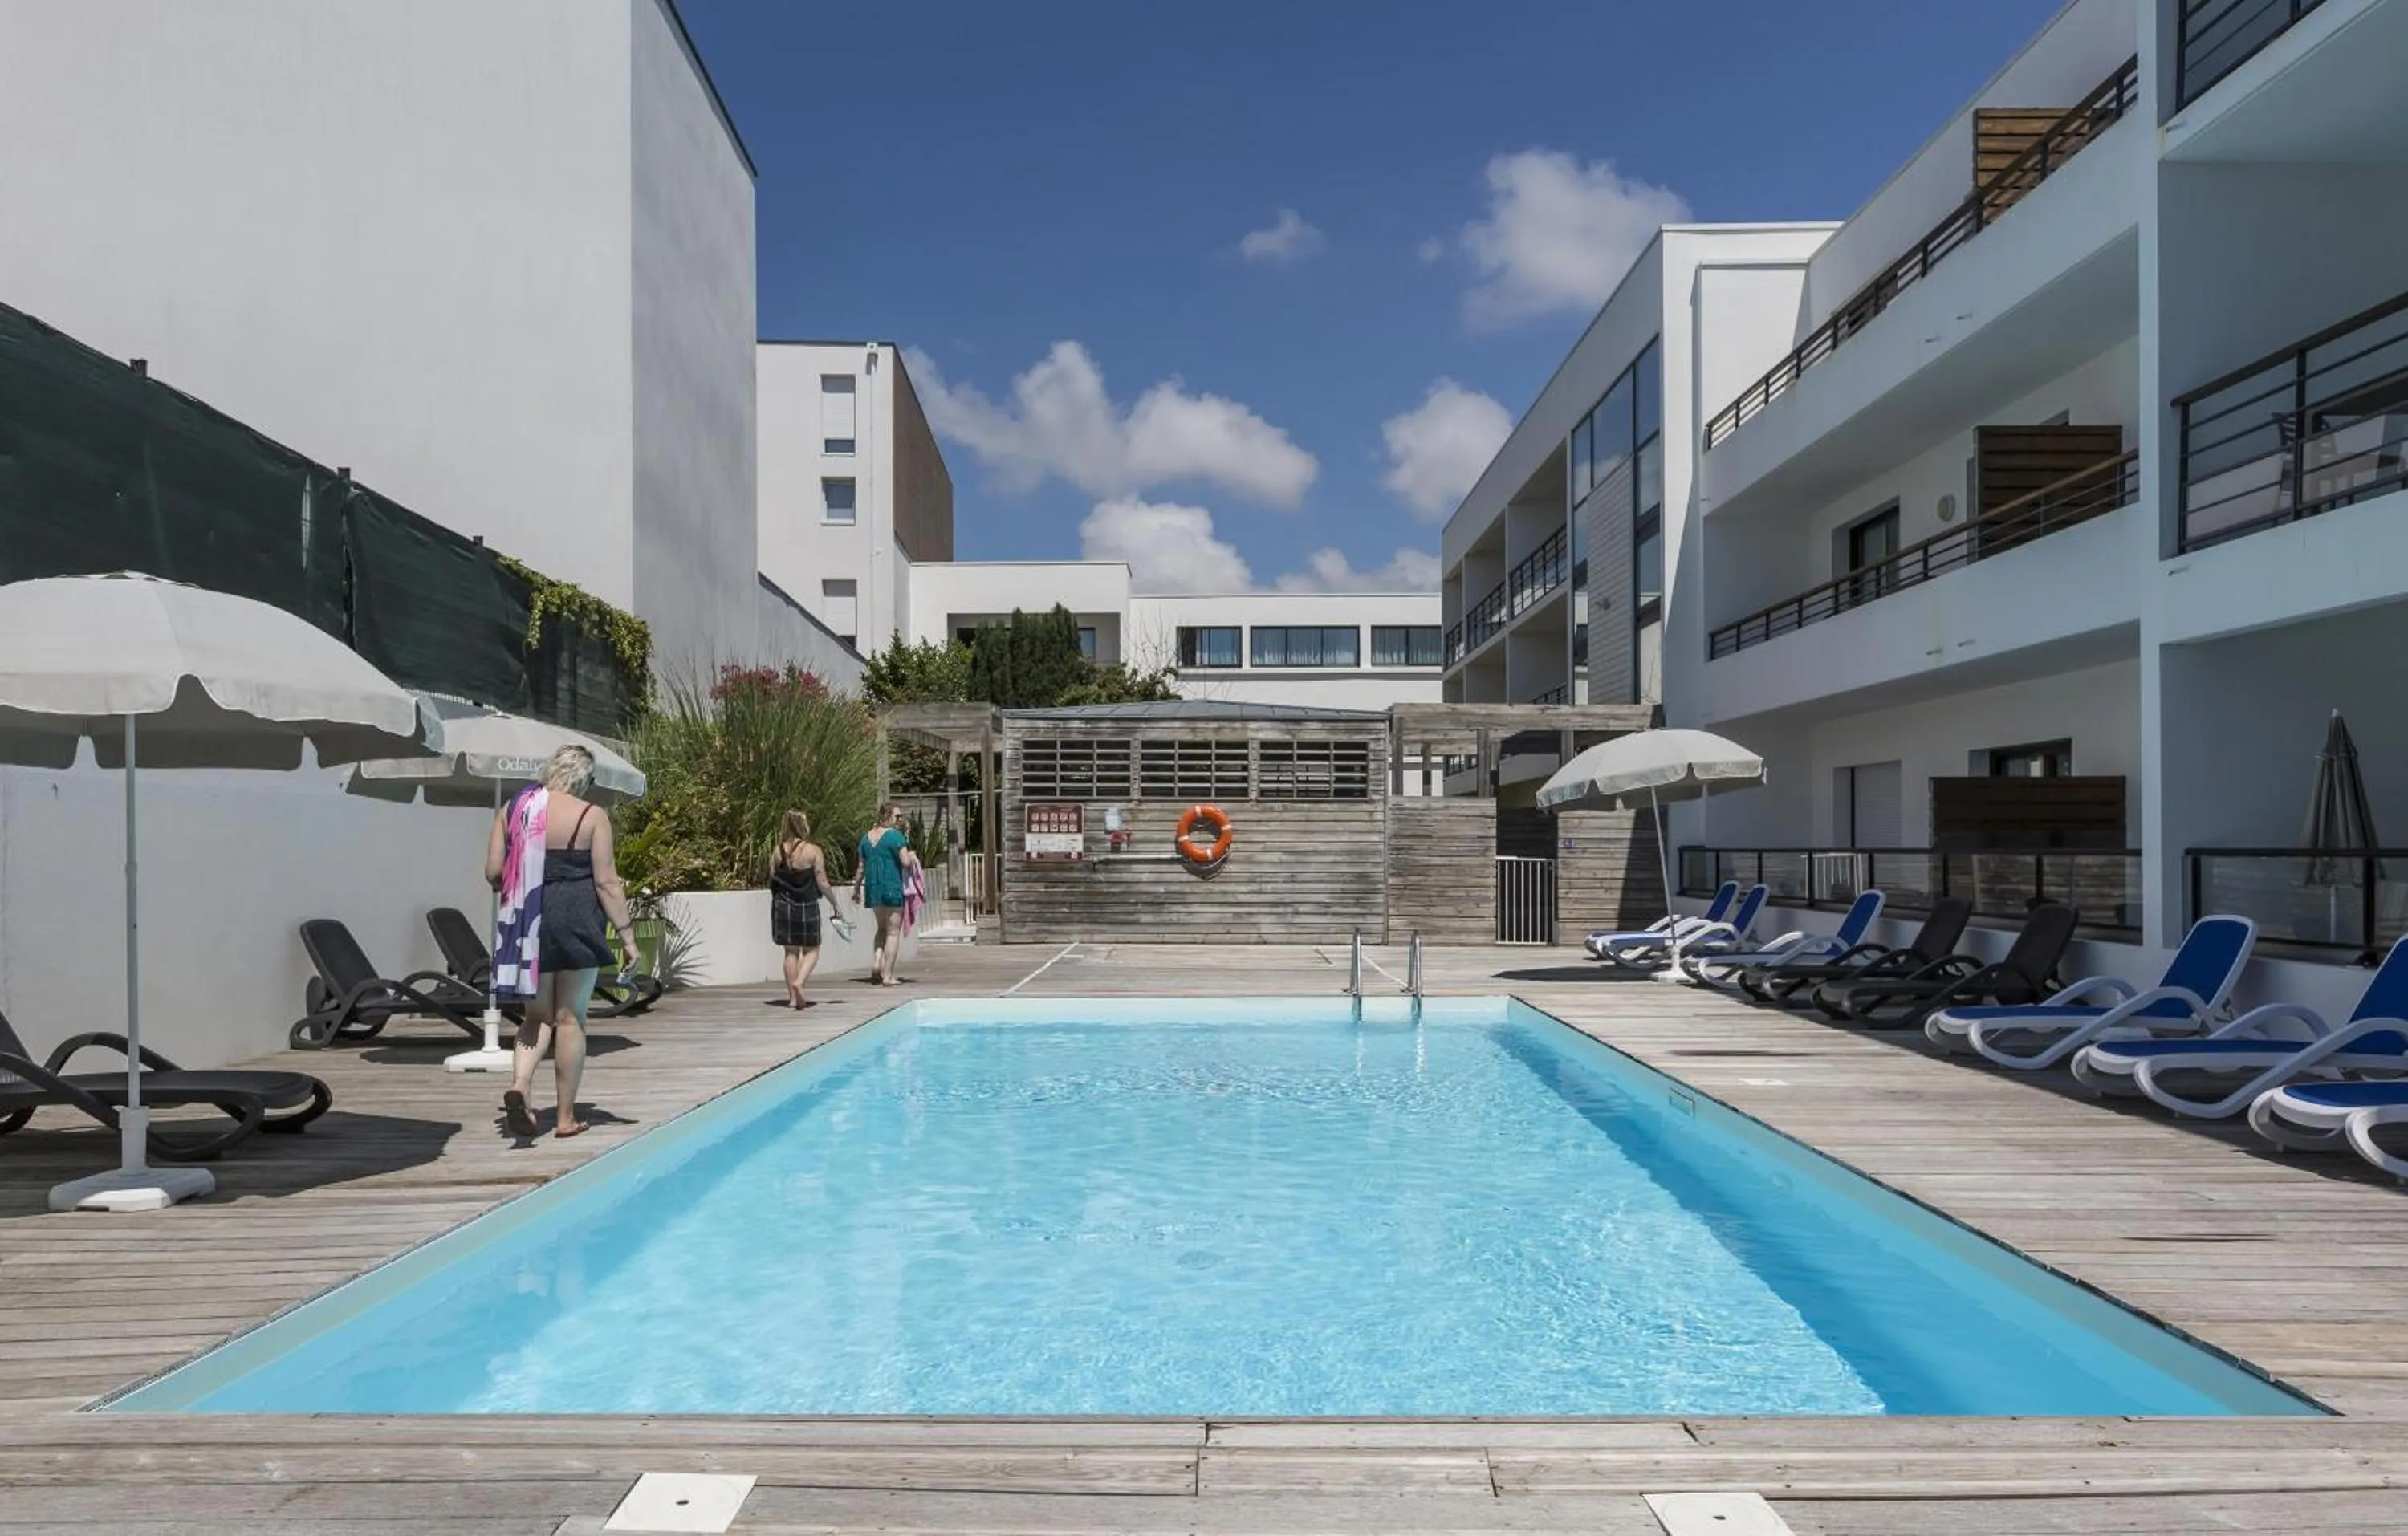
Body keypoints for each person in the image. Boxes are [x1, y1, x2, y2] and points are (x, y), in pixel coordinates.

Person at [486, 744, 636, 1140]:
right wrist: (628, 937)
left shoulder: (513, 810)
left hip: (527, 922)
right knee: (570, 1017)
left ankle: (520, 1084)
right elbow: (606, 881)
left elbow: (493, 872)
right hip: (576, 919)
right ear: (584, 779)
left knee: (536, 1016)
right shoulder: (591, 815)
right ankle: (566, 1118)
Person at [769, 808, 845, 1010]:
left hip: (783, 905)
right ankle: (799, 983)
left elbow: (772, 877)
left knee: (790, 952)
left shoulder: (778, 851)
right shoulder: (813, 851)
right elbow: (822, 881)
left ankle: (793, 999)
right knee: (812, 949)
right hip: (807, 904)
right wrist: (835, 903)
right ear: (804, 825)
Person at [853, 802, 922, 987]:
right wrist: (913, 856)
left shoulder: (866, 838)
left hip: (873, 888)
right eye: (897, 816)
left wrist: (856, 890)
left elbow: (861, 868)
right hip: (892, 887)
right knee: (892, 932)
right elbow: (905, 862)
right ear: (886, 816)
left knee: (881, 929)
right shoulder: (895, 836)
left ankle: (877, 961)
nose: (900, 820)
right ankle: (888, 975)